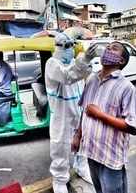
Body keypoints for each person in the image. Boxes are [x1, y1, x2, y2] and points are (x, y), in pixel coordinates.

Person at [72, 41, 136, 193]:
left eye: (114, 48)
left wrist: (100, 115)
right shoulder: (91, 80)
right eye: (107, 47)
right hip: (91, 151)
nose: (108, 49)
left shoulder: (126, 88)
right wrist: (77, 135)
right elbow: (85, 111)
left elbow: (132, 127)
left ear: (121, 61)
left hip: (111, 158)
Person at [45, 32, 98, 193]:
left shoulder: (74, 61)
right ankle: (60, 179)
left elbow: (85, 74)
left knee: (82, 142)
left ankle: (81, 166)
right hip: (61, 114)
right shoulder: (52, 64)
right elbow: (67, 76)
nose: (70, 49)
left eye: (72, 45)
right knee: (60, 147)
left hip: (78, 110)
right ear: (58, 47)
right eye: (67, 46)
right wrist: (85, 60)